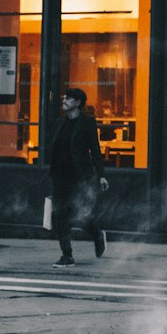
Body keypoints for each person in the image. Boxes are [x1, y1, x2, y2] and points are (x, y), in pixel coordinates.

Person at [48, 87, 109, 266]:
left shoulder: (87, 122)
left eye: (68, 98)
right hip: (59, 176)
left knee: (80, 214)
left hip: (79, 177)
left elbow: (95, 150)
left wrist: (101, 175)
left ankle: (97, 234)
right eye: (64, 98)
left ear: (78, 102)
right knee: (61, 216)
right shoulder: (60, 122)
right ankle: (67, 255)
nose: (64, 101)